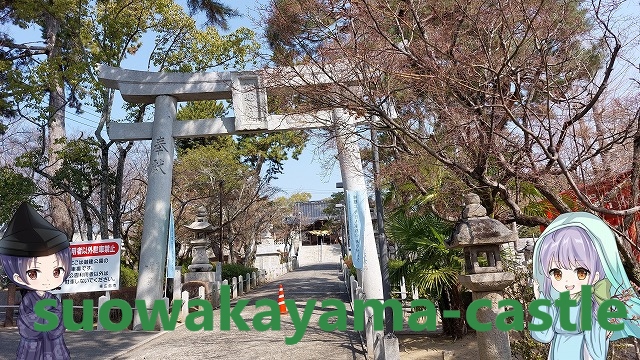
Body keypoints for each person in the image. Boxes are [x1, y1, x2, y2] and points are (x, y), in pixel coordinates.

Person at [530, 212, 640, 359]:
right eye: (557, 273)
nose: (568, 282)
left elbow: (596, 347)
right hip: (557, 351)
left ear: (595, 275)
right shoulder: (556, 301)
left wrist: (602, 323)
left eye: (581, 272)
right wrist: (542, 300)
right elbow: (543, 335)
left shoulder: (593, 302)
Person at [0, 202, 72, 360]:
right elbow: (27, 326)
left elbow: (59, 323)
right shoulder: (28, 301)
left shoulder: (53, 299)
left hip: (55, 347)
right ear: (18, 277)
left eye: (56, 271)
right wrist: (47, 320)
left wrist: (50, 320)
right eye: (33, 273)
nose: (47, 279)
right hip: (33, 349)